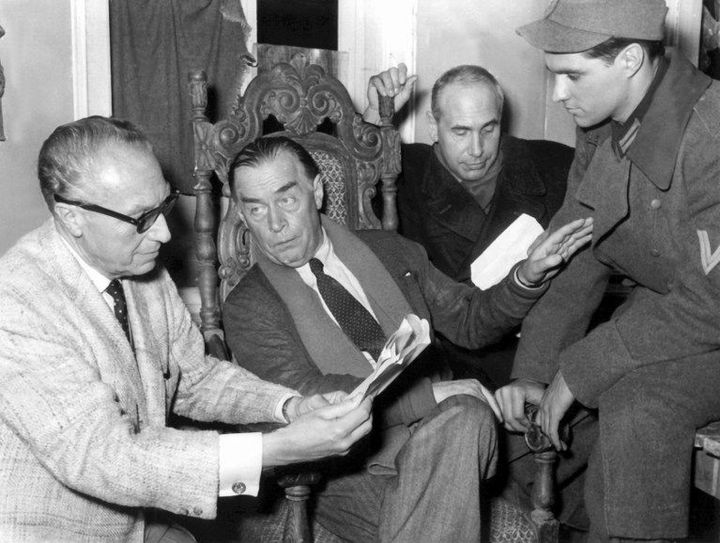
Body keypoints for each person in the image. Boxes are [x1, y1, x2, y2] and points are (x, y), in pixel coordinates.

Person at [0, 116, 374, 543]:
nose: (163, 232)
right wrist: (277, 448)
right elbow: (105, 457)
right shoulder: (17, 301)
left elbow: (196, 378)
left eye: (163, 205)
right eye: (141, 217)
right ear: (72, 218)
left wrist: (287, 407)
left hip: (140, 519)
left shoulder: (141, 272)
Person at [222, 135, 593, 542]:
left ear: (317, 190)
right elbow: (313, 396)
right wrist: (430, 397)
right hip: (350, 471)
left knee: (520, 418)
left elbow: (470, 319)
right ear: (241, 212)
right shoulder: (249, 305)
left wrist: (526, 275)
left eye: (286, 200)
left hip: (451, 433)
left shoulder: (390, 251)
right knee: (465, 417)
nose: (274, 224)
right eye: (256, 209)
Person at [495, 1, 720, 541]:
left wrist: (580, 368)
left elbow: (713, 302)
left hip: (708, 319)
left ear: (630, 59)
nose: (559, 95)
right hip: (679, 320)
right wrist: (539, 370)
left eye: (572, 75)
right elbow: (574, 252)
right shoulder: (606, 125)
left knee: (640, 402)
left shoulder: (711, 134)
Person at [364, 64, 574, 387]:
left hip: (542, 362)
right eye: (460, 132)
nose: (477, 150)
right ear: (433, 127)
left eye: (488, 130)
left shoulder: (555, 168)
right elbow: (350, 188)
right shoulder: (402, 176)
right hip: (451, 371)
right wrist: (375, 119)